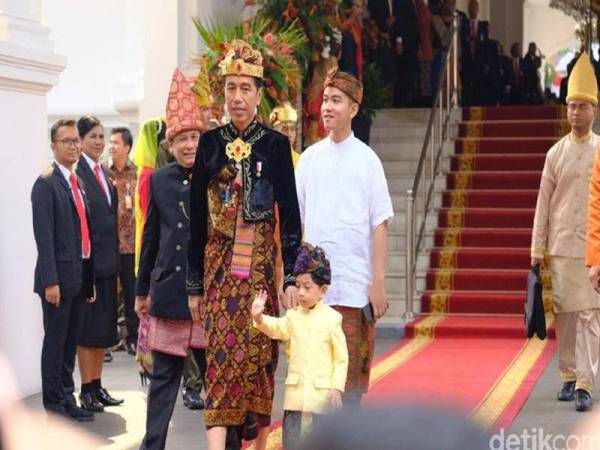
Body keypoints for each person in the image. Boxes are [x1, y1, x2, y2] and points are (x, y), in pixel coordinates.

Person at [187, 39, 302, 450]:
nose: (237, 97)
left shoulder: (274, 146)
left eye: (245, 88)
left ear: (258, 93)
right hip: (219, 278)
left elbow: (288, 215)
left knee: (261, 368)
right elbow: (197, 223)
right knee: (218, 368)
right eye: (231, 87)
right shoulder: (209, 144)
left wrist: (290, 277)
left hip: (259, 277)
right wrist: (194, 286)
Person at [295, 68, 394, 406]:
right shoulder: (308, 160)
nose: (327, 107)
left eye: (336, 100)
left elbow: (380, 224)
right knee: (314, 381)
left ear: (353, 109)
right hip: (314, 290)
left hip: (353, 288)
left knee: (350, 382)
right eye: (325, 99)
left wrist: (377, 282)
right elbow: (297, 224)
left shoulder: (368, 161)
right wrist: (293, 279)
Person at [135, 68, 208, 450]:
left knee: (217, 376)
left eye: (195, 137)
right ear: (171, 142)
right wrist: (140, 289)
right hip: (167, 292)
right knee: (164, 380)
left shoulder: (216, 175)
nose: (190, 144)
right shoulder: (159, 179)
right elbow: (150, 237)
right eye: (183, 138)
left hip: (207, 295)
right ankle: (152, 445)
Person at [532, 53, 600, 412]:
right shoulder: (554, 154)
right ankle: (569, 375)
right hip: (560, 247)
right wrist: (536, 249)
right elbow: (543, 204)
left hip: (592, 249)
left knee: (590, 314)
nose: (575, 113)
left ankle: (586, 384)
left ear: (594, 110)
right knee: (566, 315)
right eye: (571, 106)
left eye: (582, 107)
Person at [251, 243, 348, 450]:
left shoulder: (333, 319)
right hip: (295, 399)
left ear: (322, 290)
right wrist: (259, 318)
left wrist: (337, 387)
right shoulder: (292, 317)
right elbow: (276, 327)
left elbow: (341, 359)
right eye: (298, 285)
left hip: (321, 398)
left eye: (307, 287)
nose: (301, 292)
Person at [31, 119, 95, 423]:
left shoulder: (77, 181)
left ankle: (68, 398)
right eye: (66, 141)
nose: (73, 146)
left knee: (70, 343)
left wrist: (89, 279)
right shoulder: (45, 184)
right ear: (53, 145)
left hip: (79, 278)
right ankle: (53, 406)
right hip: (57, 281)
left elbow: (85, 233)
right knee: (55, 344)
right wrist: (50, 281)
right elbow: (44, 239)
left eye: (75, 141)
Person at [75, 116, 123, 412]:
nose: (98, 142)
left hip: (109, 263)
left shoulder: (103, 172)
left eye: (101, 136)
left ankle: (98, 384)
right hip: (90, 267)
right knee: (88, 331)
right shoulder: (77, 173)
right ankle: (86, 388)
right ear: (79, 140)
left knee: (104, 329)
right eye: (92, 136)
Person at [107, 127, 138, 356]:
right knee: (107, 294)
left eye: (116, 142)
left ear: (127, 147)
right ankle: (106, 341)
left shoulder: (136, 173)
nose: (111, 146)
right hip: (107, 245)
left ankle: (133, 338)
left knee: (131, 293)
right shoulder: (103, 173)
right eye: (111, 142)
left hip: (130, 244)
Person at [460, 0, 489, 105]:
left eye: (475, 7)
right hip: (467, 60)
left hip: (479, 61)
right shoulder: (463, 24)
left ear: (478, 9)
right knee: (466, 86)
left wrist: (486, 63)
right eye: (471, 7)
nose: (473, 10)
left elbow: (486, 45)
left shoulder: (483, 26)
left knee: (479, 86)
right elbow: (461, 41)